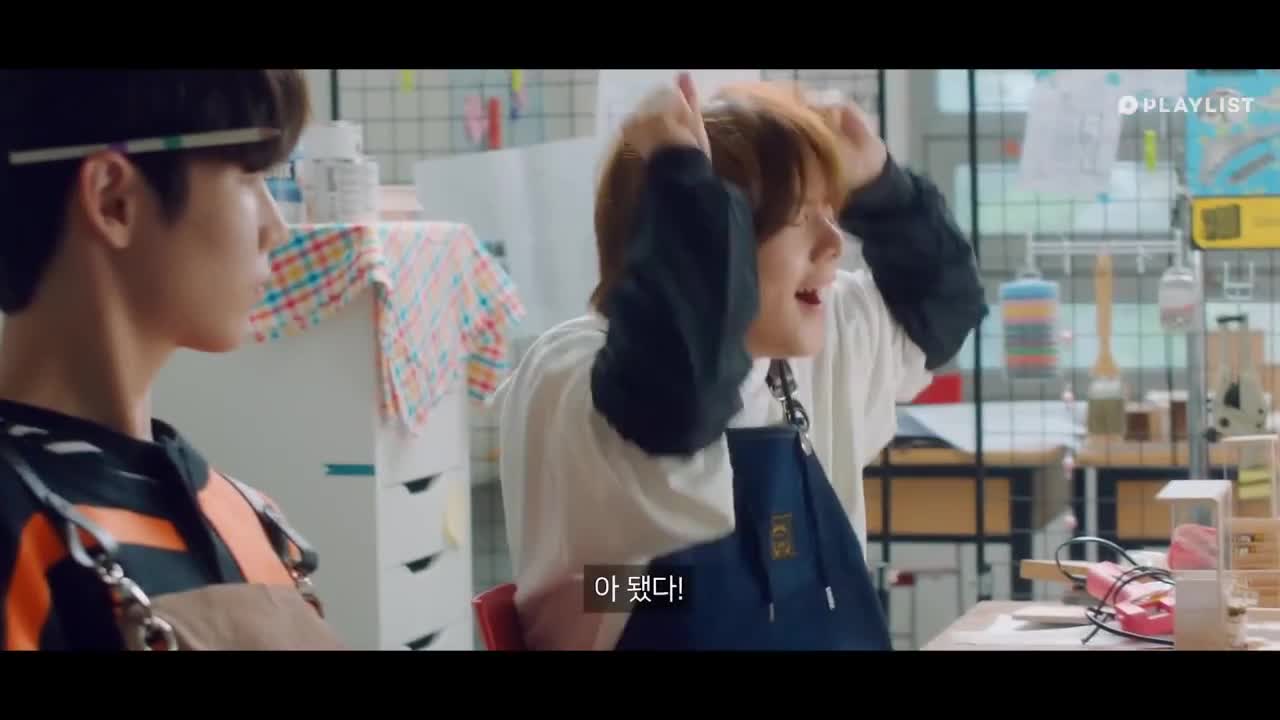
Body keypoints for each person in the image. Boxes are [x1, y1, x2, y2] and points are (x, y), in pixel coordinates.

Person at [495, 73, 988, 650]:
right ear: (704, 238)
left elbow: (941, 307)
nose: (834, 244)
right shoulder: (575, 374)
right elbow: (676, 411)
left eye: (831, 211)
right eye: (799, 217)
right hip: (611, 596)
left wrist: (883, 188)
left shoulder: (805, 351)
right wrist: (683, 182)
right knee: (664, 589)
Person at [0, 70, 344, 650]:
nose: (276, 228)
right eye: (250, 177)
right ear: (114, 200)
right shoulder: (15, 537)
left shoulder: (249, 517)